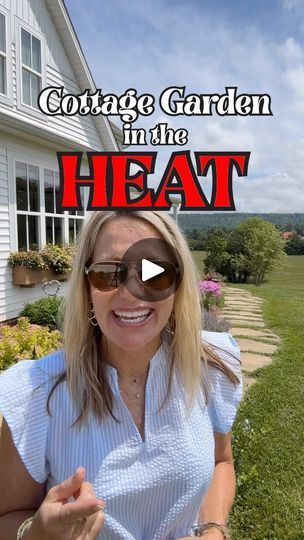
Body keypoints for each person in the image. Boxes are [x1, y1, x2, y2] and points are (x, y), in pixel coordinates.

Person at [0, 210, 243, 540]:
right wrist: (36, 533)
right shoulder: (36, 394)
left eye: (154, 272)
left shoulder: (209, 367)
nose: (132, 292)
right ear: (86, 287)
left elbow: (221, 461)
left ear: (177, 284)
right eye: (108, 273)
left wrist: (214, 530)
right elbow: (8, 515)